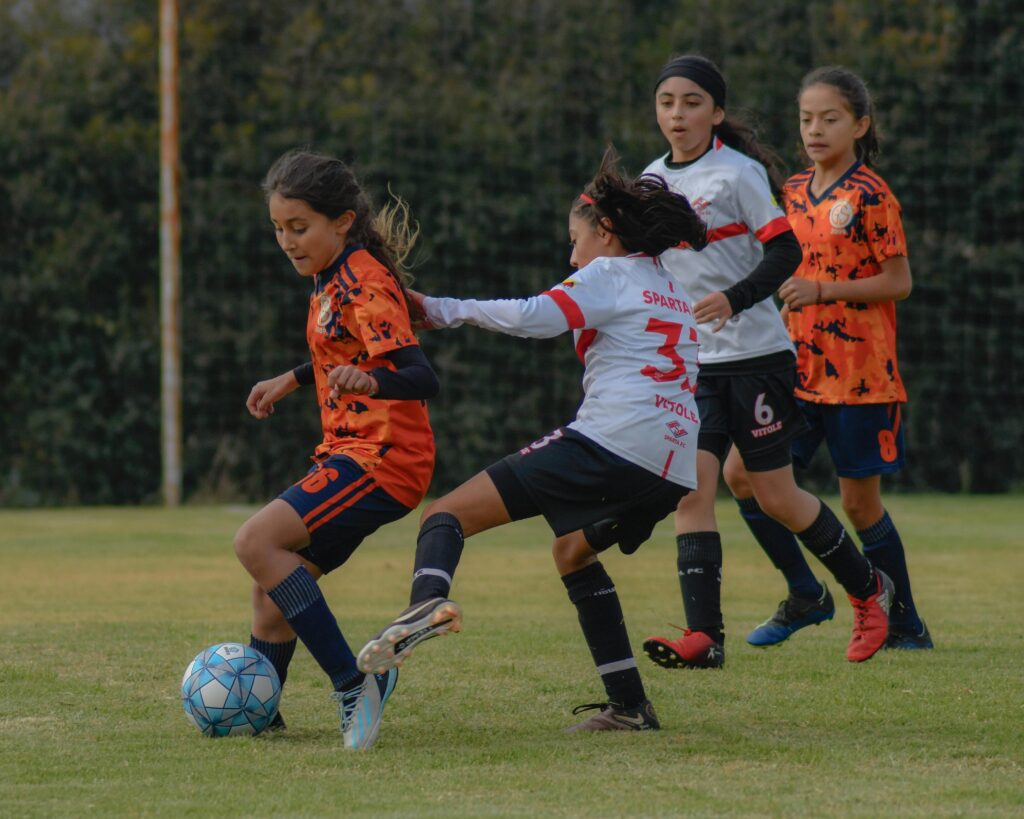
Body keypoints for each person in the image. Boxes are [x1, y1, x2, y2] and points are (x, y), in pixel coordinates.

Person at [355, 148, 707, 734]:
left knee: (444, 515)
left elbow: (534, 316)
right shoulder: (671, 290)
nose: (572, 256)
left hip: (612, 443)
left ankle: (423, 606)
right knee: (571, 550)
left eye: (576, 240)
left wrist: (440, 310)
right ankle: (631, 708)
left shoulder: (609, 273)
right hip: (672, 468)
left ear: (608, 230)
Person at [640, 55, 894, 669]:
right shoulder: (651, 179)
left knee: (776, 495)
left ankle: (867, 592)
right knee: (690, 493)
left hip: (758, 358)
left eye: (693, 102)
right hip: (696, 366)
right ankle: (705, 639)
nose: (678, 113)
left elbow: (786, 254)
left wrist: (734, 299)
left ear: (717, 113)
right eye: (668, 101)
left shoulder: (738, 174)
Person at [233, 150, 439, 751]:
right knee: (270, 585)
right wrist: (292, 379)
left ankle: (355, 686)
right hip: (350, 452)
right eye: (278, 228)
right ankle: (258, 710)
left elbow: (420, 376)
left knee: (255, 542)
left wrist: (373, 381)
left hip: (383, 457)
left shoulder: (364, 279)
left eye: (299, 228)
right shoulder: (331, 274)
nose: (287, 241)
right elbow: (340, 349)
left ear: (342, 221)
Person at [722, 66, 931, 650]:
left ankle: (906, 624)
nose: (815, 128)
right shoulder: (788, 192)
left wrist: (822, 289)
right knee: (741, 475)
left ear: (859, 124)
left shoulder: (871, 195)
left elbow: (900, 281)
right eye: (806, 118)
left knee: (860, 506)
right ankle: (804, 592)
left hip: (861, 377)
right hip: (793, 371)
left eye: (830, 118)